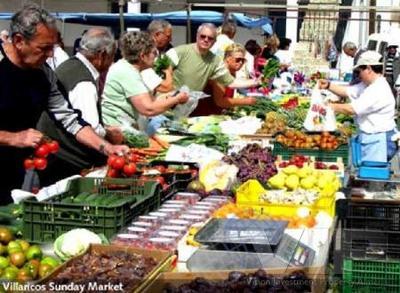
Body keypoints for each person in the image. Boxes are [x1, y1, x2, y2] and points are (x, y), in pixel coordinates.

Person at [0, 5, 128, 203]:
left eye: (52, 47)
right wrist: (12, 138)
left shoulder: (44, 74)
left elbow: (69, 118)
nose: (50, 54)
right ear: (18, 41)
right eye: (43, 48)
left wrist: (106, 147)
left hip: (13, 169)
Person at [37, 28, 124, 186]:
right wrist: (110, 140)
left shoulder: (70, 65)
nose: (112, 62)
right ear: (102, 54)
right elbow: (89, 126)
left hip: (55, 156)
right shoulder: (83, 82)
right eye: (112, 56)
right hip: (66, 163)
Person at [319, 51, 397, 163]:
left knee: (372, 175)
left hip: (379, 139)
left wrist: (329, 106)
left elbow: (352, 109)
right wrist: (328, 85)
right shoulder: (369, 85)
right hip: (373, 137)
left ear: (369, 69)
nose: (358, 75)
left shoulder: (378, 89)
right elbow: (348, 91)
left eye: (359, 71)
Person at [101, 31, 189, 131]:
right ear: (143, 56)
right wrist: (176, 99)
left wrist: (173, 97)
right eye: (154, 53)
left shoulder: (128, 68)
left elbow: (151, 101)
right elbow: (148, 109)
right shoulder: (127, 73)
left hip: (126, 128)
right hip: (118, 132)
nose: (156, 56)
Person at [166, 23, 258, 93]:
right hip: (168, 103)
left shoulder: (215, 60)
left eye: (210, 38)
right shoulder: (178, 52)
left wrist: (256, 82)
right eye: (203, 36)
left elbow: (230, 82)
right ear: (197, 36)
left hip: (189, 108)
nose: (206, 40)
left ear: (214, 41)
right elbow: (159, 75)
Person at [192, 43, 257, 116]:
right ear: (228, 58)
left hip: (215, 114)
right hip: (203, 115)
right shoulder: (220, 73)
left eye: (243, 60)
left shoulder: (232, 72)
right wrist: (246, 101)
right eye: (238, 60)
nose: (241, 62)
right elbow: (220, 101)